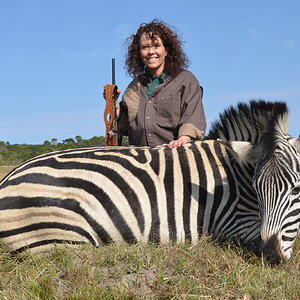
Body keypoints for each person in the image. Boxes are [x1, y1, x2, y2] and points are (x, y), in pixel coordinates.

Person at [117, 19, 206, 148]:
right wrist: (112, 104)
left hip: (174, 155)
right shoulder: (135, 85)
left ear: (166, 50)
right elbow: (122, 127)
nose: (151, 52)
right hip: (141, 160)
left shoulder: (186, 80)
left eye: (156, 45)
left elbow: (193, 116)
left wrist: (182, 139)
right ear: (139, 53)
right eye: (145, 47)